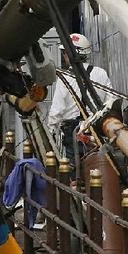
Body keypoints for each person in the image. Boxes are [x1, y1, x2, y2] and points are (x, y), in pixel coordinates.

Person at [47, 33, 113, 166]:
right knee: (97, 166)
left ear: (71, 54)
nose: (64, 56)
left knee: (72, 170)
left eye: (65, 52)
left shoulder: (65, 78)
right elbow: (110, 103)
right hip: (96, 132)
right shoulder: (101, 73)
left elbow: (56, 111)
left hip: (72, 133)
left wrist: (51, 131)